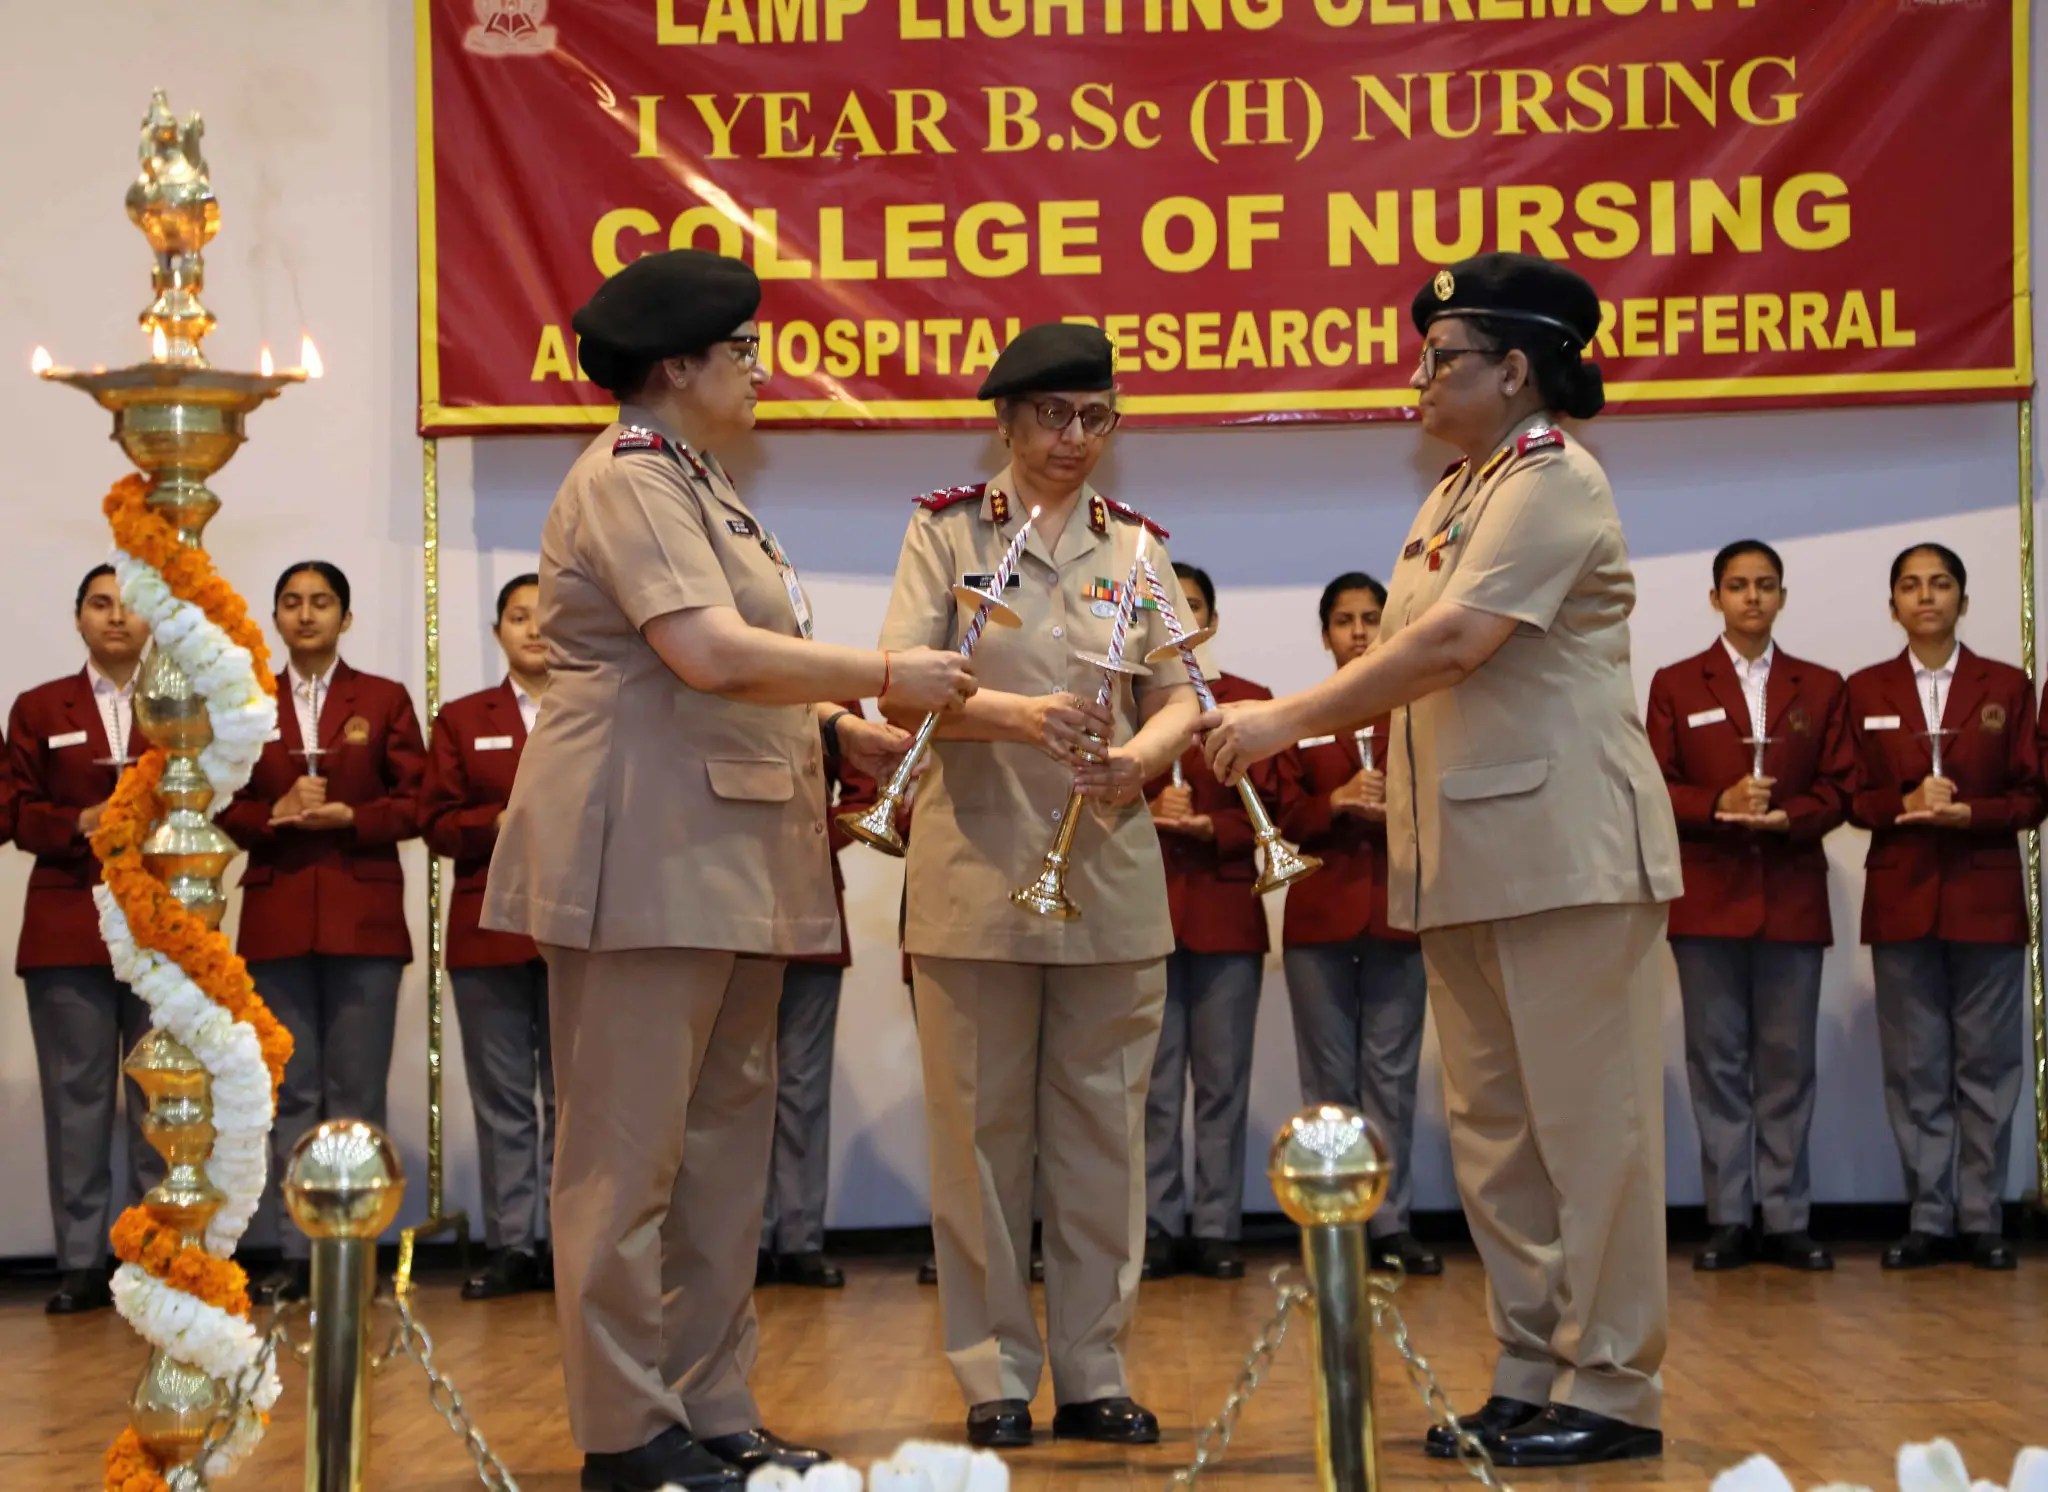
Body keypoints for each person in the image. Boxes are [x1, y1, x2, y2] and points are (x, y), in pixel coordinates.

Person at [480, 248, 973, 1492]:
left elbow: (720, 665)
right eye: (740, 349)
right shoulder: (630, 476)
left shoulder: (702, 482)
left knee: (717, 1155)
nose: (759, 367)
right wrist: (879, 677)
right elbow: (701, 648)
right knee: (623, 1158)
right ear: (675, 366)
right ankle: (621, 1430)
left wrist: (827, 729)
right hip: (638, 849)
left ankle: (708, 1401)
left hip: (726, 846)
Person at [1202, 253, 1681, 1468]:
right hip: (1465, 859)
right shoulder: (1452, 496)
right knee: (1497, 1139)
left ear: (1516, 368)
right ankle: (1529, 1368)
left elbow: (1454, 645)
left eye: (1443, 356)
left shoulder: (1550, 480)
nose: (1418, 376)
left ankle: (1613, 1384)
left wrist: (1280, 719)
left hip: (1566, 855)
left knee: (1593, 1134)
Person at [877, 322, 1200, 1450]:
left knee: (1103, 1139)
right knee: (977, 1138)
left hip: (1106, 877)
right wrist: (1015, 714)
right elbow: (901, 688)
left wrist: (1145, 758)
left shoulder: (1138, 550)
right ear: (1005, 422)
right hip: (974, 871)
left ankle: (1094, 1368)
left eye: (1097, 416)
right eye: (1054, 416)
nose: (1076, 439)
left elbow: (1179, 693)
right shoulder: (944, 530)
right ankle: (992, 1373)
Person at [221, 561, 427, 1306]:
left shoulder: (381, 698)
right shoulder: (247, 703)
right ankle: (296, 1251)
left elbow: (419, 801)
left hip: (362, 915)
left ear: (346, 616)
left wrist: (354, 817)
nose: (306, 615)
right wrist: (272, 811)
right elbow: (222, 805)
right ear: (275, 617)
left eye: (322, 603)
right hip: (276, 918)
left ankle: (353, 1254)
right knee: (288, 1092)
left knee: (356, 1094)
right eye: (291, 603)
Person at [1645, 540, 1849, 1274]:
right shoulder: (1675, 683)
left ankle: (1788, 1217)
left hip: (1791, 896)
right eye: (1737, 586)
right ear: (1716, 598)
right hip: (1707, 902)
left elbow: (1843, 788)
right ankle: (1729, 1216)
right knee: (1718, 1063)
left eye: (1765, 585)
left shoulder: (1821, 686)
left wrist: (1791, 815)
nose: (1752, 598)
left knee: (1788, 1063)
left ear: (1782, 597)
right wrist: (1718, 803)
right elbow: (1655, 787)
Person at [1845, 543, 2040, 1273]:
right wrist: (1900, 806)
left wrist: (1975, 813)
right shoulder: (1864, 690)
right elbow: (1850, 798)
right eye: (1911, 586)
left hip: (1984, 899)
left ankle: (1982, 1216)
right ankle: (1929, 1217)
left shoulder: (2007, 686)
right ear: (1892, 602)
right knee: (1916, 1066)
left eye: (1941, 584)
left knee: (1987, 1067)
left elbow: (2032, 794)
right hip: (1900, 902)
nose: (1926, 597)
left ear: (1963, 597)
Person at [1269, 572, 1440, 1278]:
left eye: (1373, 619)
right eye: (1346, 621)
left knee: (1391, 1078)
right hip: (1321, 918)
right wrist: (1334, 801)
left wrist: (1399, 804)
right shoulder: (1303, 714)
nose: (1361, 633)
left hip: (1401, 913)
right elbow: (1279, 813)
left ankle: (1391, 1222)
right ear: (1326, 633)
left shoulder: (1422, 713)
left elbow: (1441, 803)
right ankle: (1334, 1223)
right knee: (1330, 1083)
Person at [6, 565, 156, 1315]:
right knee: (78, 1098)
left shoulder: (180, 704)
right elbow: (13, 810)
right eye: (101, 605)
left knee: (160, 1101)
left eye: (130, 607)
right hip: (69, 921)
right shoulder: (39, 707)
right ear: (78, 620)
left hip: (164, 929)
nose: (117, 618)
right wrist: (77, 825)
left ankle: (155, 1255)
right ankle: (79, 1262)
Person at [421, 573, 555, 1301]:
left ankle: (574, 1247)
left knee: (576, 1102)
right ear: (498, 630)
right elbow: (436, 822)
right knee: (503, 1099)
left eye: (546, 616)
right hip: (489, 929)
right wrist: (494, 826)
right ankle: (514, 1244)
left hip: (579, 929)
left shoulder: (595, 710)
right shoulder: (463, 718)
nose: (534, 629)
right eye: (517, 616)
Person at [1140, 562, 1270, 1283]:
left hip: (1226, 917)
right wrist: (1147, 813)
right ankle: (1158, 1225)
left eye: (1192, 607)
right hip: (1148, 915)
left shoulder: (1251, 703)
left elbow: (1276, 814)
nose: (1181, 620)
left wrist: (1211, 830)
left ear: (1211, 623)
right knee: (1154, 1087)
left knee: (1222, 1082)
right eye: (1169, 608)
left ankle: (1217, 1225)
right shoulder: (1130, 703)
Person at [757, 702, 878, 1290]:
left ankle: (800, 1238)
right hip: (726, 902)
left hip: (809, 899)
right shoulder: (707, 672)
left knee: (803, 1088)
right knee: (733, 1087)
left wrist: (805, 835)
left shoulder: (828, 694)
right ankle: (741, 1241)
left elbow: (864, 798)